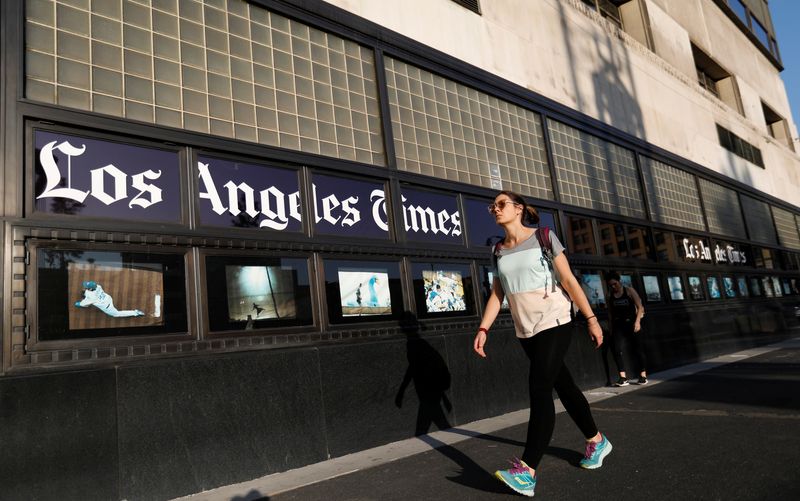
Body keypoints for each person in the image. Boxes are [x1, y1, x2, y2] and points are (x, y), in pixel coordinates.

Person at [474, 191, 611, 498]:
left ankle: (527, 471)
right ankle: (597, 439)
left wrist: (590, 318)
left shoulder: (545, 237)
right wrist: (484, 327)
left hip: (556, 319)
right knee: (563, 386)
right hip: (526, 330)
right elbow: (498, 295)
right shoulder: (498, 250)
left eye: (501, 204)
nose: (495, 209)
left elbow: (570, 282)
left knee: (539, 387)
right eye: (492, 206)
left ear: (519, 209)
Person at [606, 272, 647, 386]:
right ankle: (623, 378)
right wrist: (611, 328)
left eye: (615, 284)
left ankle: (643, 375)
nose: (613, 287)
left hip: (632, 323)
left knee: (638, 349)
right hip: (618, 324)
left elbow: (640, 307)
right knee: (617, 349)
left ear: (619, 281)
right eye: (611, 285)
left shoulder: (629, 291)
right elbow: (610, 313)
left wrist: (637, 322)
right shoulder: (609, 295)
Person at [75, 280, 145, 318]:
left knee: (116, 314)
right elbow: (90, 292)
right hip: (108, 298)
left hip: (108, 307)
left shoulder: (91, 297)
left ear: (90, 289)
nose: (85, 288)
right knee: (88, 297)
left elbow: (81, 304)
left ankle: (135, 313)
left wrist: (78, 304)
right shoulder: (98, 286)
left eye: (86, 287)